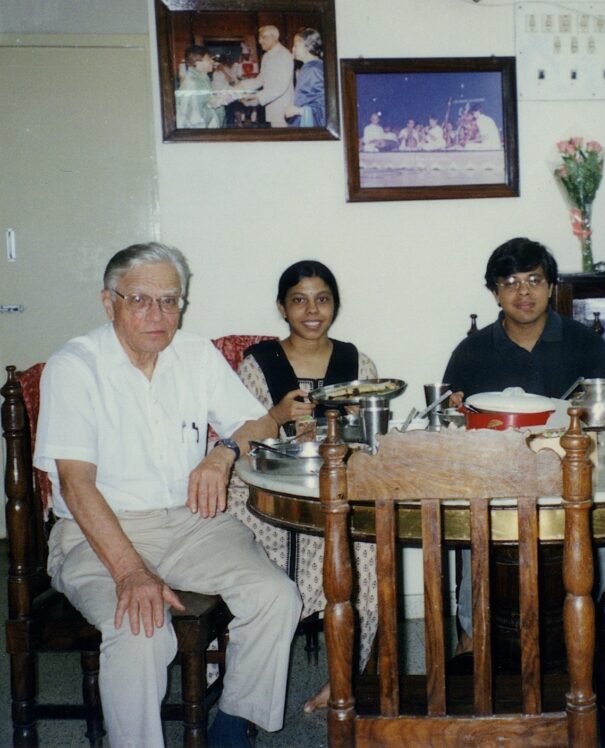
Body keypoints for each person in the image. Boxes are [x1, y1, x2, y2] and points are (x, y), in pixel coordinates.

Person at [34, 242, 301, 747]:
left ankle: (231, 725)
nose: (157, 315)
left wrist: (222, 454)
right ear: (108, 302)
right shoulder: (75, 366)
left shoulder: (194, 354)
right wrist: (131, 572)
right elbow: (76, 484)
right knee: (142, 632)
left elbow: (260, 423)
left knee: (276, 597)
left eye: (170, 300)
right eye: (140, 300)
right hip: (97, 532)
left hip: (189, 524)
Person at [442, 237, 605, 651]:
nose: (523, 292)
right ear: (494, 291)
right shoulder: (472, 351)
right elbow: (454, 427)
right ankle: (472, 639)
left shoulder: (585, 343)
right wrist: (455, 411)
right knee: (470, 518)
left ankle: (567, 611)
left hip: (572, 477)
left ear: (551, 287)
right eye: (510, 282)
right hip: (499, 485)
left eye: (534, 280)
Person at [226, 260, 378, 713]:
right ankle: (239, 675)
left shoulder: (356, 362)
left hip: (330, 491)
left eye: (323, 299)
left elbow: (369, 441)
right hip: (264, 492)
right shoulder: (260, 362)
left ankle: (344, 675)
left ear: (335, 305)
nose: (312, 310)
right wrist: (277, 419)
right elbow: (239, 437)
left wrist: (340, 437)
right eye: (299, 300)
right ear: (282, 307)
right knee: (245, 539)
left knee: (364, 548)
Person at [240, 25, 294, 128]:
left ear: (274, 37)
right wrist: (242, 86)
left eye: (263, 37)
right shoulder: (266, 56)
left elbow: (281, 86)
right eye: (260, 38)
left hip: (283, 108)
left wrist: (257, 96)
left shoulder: (284, 55)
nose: (260, 41)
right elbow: (260, 80)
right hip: (272, 107)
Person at [284, 28, 325, 128]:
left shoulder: (314, 69)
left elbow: (324, 103)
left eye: (296, 45)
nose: (293, 49)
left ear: (308, 46)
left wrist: (299, 111)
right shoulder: (309, 67)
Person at [175, 45, 223, 129]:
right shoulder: (194, 83)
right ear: (197, 62)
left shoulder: (202, 79)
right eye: (208, 59)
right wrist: (213, 105)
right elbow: (196, 120)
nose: (212, 61)